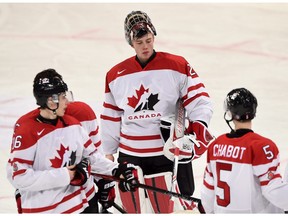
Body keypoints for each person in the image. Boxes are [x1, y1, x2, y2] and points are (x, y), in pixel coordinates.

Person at [100, 11, 213, 213]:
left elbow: (200, 101)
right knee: (133, 209)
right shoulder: (115, 75)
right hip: (131, 155)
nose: (145, 46)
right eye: (139, 42)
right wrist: (108, 153)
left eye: (148, 40)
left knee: (172, 209)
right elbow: (111, 115)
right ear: (130, 43)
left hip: (167, 153)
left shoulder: (177, 65)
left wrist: (197, 131)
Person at [6, 69, 138, 213]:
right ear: (51, 102)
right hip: (45, 210)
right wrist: (66, 175)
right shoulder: (27, 129)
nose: (67, 101)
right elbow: (19, 176)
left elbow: (92, 158)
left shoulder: (72, 124)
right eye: (63, 97)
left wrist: (117, 170)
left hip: (78, 205)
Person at [201, 87, 288, 213]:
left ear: (229, 113)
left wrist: (208, 210)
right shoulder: (262, 146)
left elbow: (207, 194)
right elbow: (273, 191)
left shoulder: (215, 146)